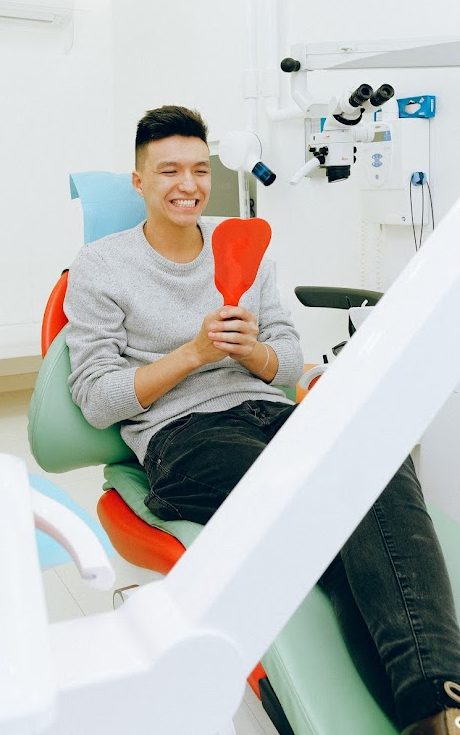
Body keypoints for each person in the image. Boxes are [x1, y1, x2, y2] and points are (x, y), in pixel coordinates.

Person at [64, 104, 460, 735]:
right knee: (320, 496)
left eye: (199, 169)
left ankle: (434, 712)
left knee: (373, 460)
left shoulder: (241, 246)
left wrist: (252, 350)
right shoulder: (101, 267)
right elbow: (96, 398)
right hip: (183, 436)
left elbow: (287, 360)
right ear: (138, 181)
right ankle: (436, 700)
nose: (188, 185)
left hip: (271, 414)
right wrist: (194, 352)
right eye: (168, 171)